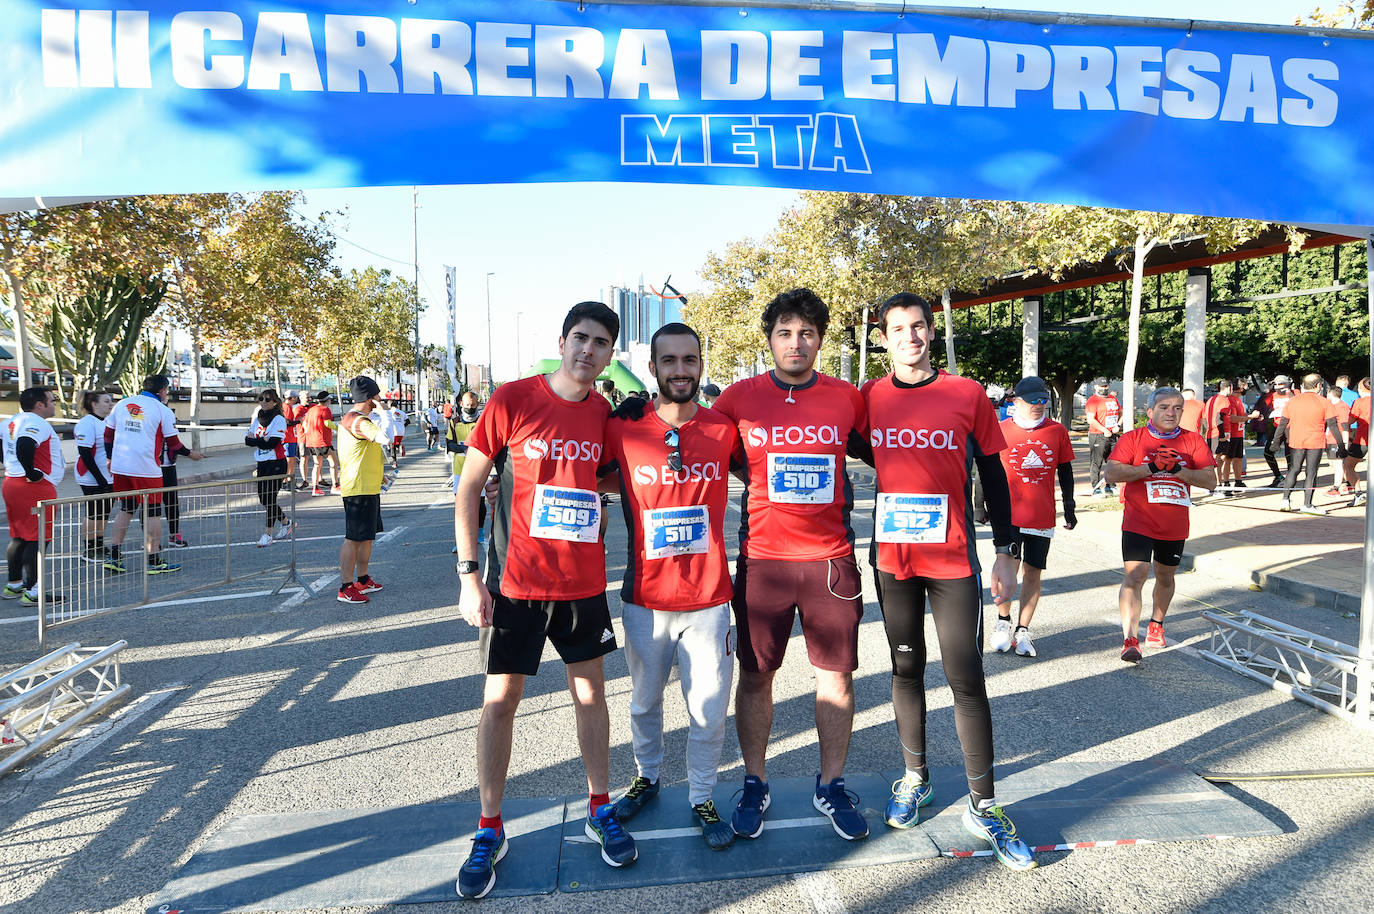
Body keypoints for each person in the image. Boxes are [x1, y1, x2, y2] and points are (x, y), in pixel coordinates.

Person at [453, 301, 635, 899]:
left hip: (581, 587)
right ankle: (488, 828)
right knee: (499, 702)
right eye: (580, 339)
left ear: (611, 354)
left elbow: (608, 477)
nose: (588, 350)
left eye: (601, 343)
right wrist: (469, 574)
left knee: (591, 697)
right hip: (514, 586)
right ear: (563, 341)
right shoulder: (513, 398)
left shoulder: (605, 413)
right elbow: (470, 486)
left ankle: (600, 807)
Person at [853, 292, 1033, 871]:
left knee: (966, 676)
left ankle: (985, 806)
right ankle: (915, 777)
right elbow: (846, 440)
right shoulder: (870, 398)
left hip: (954, 559)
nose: (909, 336)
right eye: (898, 329)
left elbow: (993, 475)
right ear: (883, 338)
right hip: (893, 559)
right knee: (906, 669)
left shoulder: (966, 392)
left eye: (918, 327)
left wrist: (1007, 551)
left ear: (932, 333)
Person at [710, 288, 869, 843]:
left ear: (821, 339)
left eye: (806, 333)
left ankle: (831, 784)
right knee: (756, 677)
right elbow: (694, 446)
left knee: (837, 678)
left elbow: (891, 450)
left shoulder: (849, 398)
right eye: (784, 333)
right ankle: (755, 782)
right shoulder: (738, 399)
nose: (795, 343)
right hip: (764, 565)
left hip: (831, 564)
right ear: (770, 339)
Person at [602, 322, 741, 851]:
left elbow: (771, 472)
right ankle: (647, 777)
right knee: (643, 702)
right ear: (654, 368)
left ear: (701, 365)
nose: (680, 370)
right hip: (645, 599)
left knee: (707, 708)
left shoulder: (724, 428)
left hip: (709, 600)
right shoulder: (625, 427)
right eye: (670, 361)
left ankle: (703, 795)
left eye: (690, 360)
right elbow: (579, 473)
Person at [1105, 388, 1217, 662]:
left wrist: (1178, 470)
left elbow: (1210, 481)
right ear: (1150, 411)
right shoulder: (1134, 438)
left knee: (1165, 576)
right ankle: (1130, 639)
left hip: (1174, 524)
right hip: (1138, 520)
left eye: (1178, 408)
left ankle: (1156, 624)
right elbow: (1111, 473)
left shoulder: (1192, 441)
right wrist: (1151, 468)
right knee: (1134, 576)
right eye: (1165, 407)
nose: (1171, 412)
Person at [991, 376, 1076, 659]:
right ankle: (1003, 623)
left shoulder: (1057, 431)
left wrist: (1070, 505)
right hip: (1009, 516)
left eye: (1043, 401)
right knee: (1007, 572)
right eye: (1033, 401)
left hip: (1041, 515)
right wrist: (980, 506)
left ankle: (1023, 630)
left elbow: (1065, 471)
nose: (1039, 406)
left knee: (1033, 573)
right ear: (1017, 402)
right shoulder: (1001, 429)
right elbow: (988, 472)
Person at [103, 374, 184, 575]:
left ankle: (114, 556)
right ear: (163, 390)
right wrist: (192, 454)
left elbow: (107, 435)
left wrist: (109, 458)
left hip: (121, 466)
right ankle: (153, 560)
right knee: (153, 511)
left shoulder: (122, 404)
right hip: (146, 467)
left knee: (126, 508)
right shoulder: (162, 410)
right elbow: (174, 444)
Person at [2, 387, 66, 604]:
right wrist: (31, 472)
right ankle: (34, 590)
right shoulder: (36, 422)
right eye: (52, 400)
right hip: (32, 486)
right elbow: (25, 444)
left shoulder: (11, 421)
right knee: (38, 538)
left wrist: (11, 466)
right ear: (40, 404)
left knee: (19, 536)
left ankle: (14, 584)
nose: (54, 403)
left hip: (12, 481)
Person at [335, 376, 393, 604]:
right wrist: (385, 412)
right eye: (377, 395)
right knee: (354, 538)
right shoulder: (358, 420)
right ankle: (346, 586)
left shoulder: (358, 419)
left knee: (367, 537)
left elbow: (367, 451)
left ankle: (362, 579)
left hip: (368, 486)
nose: (381, 399)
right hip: (357, 488)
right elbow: (386, 438)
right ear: (370, 398)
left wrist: (380, 475)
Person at [1278, 373, 1343, 515]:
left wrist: (1276, 442)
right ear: (1318, 386)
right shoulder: (1324, 402)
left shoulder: (1293, 401)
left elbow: (1283, 423)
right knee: (1311, 473)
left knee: (1294, 469)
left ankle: (1285, 500)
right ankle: (1307, 504)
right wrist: (1341, 445)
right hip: (1315, 441)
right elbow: (1333, 425)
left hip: (1296, 441)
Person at [74, 390, 116, 563]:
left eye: (111, 401)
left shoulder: (107, 422)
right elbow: (85, 454)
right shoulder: (86, 423)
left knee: (105, 512)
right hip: (91, 476)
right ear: (94, 404)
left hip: (108, 476)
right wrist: (100, 479)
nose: (110, 404)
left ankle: (99, 544)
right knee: (94, 512)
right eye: (106, 401)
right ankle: (89, 548)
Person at [245, 389, 291, 547]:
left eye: (267, 399)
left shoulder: (278, 419)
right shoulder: (258, 419)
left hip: (276, 462)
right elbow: (247, 440)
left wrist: (258, 439)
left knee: (270, 498)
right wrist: (261, 439)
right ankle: (286, 522)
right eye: (261, 399)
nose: (263, 402)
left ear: (275, 402)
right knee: (263, 499)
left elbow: (272, 443)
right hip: (262, 462)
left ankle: (268, 534)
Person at [160, 408, 205, 548]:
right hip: (151, 468)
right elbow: (176, 445)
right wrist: (190, 454)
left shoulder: (169, 424)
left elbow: (175, 444)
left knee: (172, 502)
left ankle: (174, 535)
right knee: (150, 505)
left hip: (169, 467)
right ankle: (149, 539)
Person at [446, 391, 485, 552]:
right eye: (467, 405)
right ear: (461, 404)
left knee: (480, 503)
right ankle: (462, 540)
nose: (470, 408)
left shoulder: (483, 420)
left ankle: (480, 533)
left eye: (473, 405)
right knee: (461, 505)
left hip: (479, 468)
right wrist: (463, 448)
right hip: (460, 469)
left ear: (477, 404)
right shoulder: (454, 422)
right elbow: (449, 444)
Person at [1204, 380, 1246, 495]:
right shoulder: (1224, 400)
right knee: (1223, 459)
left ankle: (1215, 485)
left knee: (1215, 460)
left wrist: (1209, 429)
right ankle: (1220, 485)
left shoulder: (1210, 400)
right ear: (1228, 388)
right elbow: (1220, 418)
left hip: (1211, 433)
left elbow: (1204, 419)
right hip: (1220, 433)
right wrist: (1222, 435)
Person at [1084, 377, 1122, 496]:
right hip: (1097, 435)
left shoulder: (1113, 399)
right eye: (1101, 386)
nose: (1103, 388)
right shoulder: (1092, 401)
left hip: (1113, 435)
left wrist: (1118, 425)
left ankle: (1111, 486)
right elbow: (1091, 419)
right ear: (1095, 386)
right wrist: (1104, 430)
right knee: (1096, 463)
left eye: (1105, 386)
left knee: (1113, 462)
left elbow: (1121, 413)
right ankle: (1096, 488)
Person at [1258, 374, 1295, 486]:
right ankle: (1278, 476)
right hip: (1277, 426)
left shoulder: (1294, 393)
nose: (1279, 386)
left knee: (1290, 454)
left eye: (1281, 384)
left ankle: (1290, 478)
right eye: (1276, 384)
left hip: (1290, 427)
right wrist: (1266, 391)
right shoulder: (1273, 395)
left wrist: (1289, 393)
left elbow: (1297, 402)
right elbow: (1261, 404)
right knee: (1268, 452)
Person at [301, 391, 340, 495]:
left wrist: (308, 432)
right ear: (327, 400)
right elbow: (327, 423)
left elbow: (304, 423)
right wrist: (339, 429)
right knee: (334, 463)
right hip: (323, 441)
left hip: (311, 441)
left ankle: (315, 488)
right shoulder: (325, 409)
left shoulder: (311, 410)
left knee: (317, 464)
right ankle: (335, 485)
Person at [1345, 378, 1370, 507]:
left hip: (1362, 439)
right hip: (1363, 439)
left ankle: (1359, 493)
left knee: (1348, 465)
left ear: (1362, 389)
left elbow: (1351, 419)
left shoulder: (1359, 402)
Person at [1325, 385, 1353, 496]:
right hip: (1330, 438)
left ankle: (1336, 487)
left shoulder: (1342, 407)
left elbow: (1345, 426)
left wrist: (1344, 444)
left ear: (1331, 394)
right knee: (1334, 463)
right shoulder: (1331, 406)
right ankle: (1348, 483)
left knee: (1338, 463)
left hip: (1338, 439)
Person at [282, 391, 308, 490]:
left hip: (288, 438)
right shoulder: (287, 407)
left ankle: (285, 481)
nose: (297, 399)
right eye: (296, 398)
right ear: (292, 398)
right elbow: (287, 422)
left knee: (289, 461)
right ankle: (288, 482)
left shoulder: (284, 406)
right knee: (290, 461)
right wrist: (299, 421)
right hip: (289, 438)